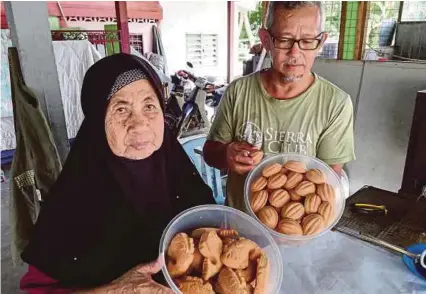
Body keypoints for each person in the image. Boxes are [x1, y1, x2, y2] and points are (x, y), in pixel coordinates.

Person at [20, 53, 215, 293]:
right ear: (97, 121)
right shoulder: (73, 199)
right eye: (121, 109)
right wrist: (115, 290)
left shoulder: (180, 174)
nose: (140, 124)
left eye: (149, 106)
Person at [203, 1, 355, 212]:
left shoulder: (335, 104)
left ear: (320, 42)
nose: (295, 52)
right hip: (240, 230)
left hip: (296, 231)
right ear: (266, 40)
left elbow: (329, 180)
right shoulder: (238, 91)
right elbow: (210, 154)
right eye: (284, 40)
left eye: (307, 40)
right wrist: (227, 154)